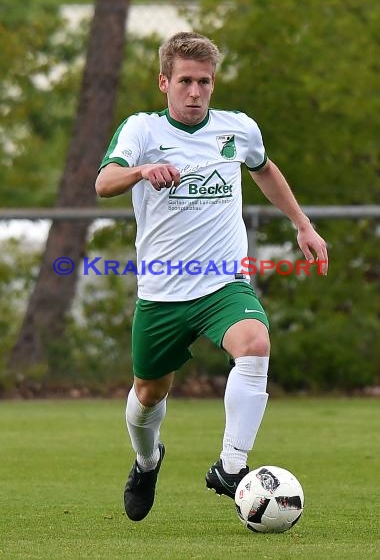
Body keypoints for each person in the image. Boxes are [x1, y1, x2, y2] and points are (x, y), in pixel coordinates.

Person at [95, 31, 328, 522]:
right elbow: (103, 182)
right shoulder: (140, 130)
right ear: (164, 82)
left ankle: (230, 466)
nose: (196, 92)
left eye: (204, 82)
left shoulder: (237, 129)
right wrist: (142, 171)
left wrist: (302, 224)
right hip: (162, 291)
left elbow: (264, 169)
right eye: (185, 81)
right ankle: (147, 460)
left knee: (255, 344)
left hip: (223, 282)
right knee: (148, 395)